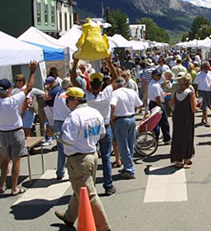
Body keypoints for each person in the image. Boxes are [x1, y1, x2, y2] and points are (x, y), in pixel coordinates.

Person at [54, 87, 110, 230]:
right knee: (80, 190)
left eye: (68, 100)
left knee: (88, 195)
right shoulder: (94, 112)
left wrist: (58, 137)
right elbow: (102, 133)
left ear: (75, 100)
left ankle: (104, 227)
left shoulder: (74, 117)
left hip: (79, 159)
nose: (66, 103)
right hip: (92, 154)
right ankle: (69, 216)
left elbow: (68, 140)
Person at [71, 57, 118, 195]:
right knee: (106, 157)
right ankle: (108, 185)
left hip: (91, 129)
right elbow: (117, 78)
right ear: (102, 84)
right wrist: (109, 63)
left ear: (90, 84)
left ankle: (89, 186)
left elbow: (74, 81)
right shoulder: (106, 94)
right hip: (105, 127)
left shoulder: (87, 97)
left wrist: (75, 63)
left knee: (89, 158)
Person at [0, 61, 37, 196]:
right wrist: (33, 71)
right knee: (16, 160)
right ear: (9, 89)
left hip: (2, 133)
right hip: (15, 132)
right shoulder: (13, 100)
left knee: (4, 160)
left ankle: (2, 184)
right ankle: (14, 188)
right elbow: (30, 87)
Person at [110, 77, 143, 179]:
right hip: (131, 118)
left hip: (121, 120)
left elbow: (112, 105)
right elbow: (140, 105)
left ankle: (129, 169)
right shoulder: (131, 92)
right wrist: (131, 109)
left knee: (123, 146)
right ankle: (128, 166)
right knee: (130, 144)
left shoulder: (115, 93)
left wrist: (112, 116)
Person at [169, 73, 197, 168]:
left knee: (177, 137)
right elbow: (194, 109)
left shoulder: (177, 92)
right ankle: (186, 158)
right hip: (187, 118)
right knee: (187, 137)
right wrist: (198, 107)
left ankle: (177, 159)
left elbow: (170, 103)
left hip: (177, 117)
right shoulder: (190, 93)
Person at [53, 78, 72, 180]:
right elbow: (68, 107)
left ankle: (60, 171)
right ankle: (70, 170)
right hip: (64, 122)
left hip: (57, 122)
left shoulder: (58, 94)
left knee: (61, 149)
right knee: (69, 148)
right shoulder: (65, 95)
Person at [148, 70, 171, 143]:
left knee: (156, 122)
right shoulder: (155, 85)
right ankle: (165, 138)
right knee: (162, 122)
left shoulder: (154, 83)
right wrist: (160, 105)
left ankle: (157, 138)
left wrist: (164, 94)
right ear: (153, 76)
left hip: (154, 103)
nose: (160, 76)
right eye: (158, 75)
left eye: (160, 75)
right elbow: (157, 97)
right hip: (157, 104)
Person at [194, 61, 211, 127]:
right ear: (202, 67)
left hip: (209, 92)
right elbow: (196, 84)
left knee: (208, 105)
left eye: (207, 66)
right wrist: (195, 93)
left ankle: (203, 118)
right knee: (204, 106)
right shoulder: (199, 74)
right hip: (201, 92)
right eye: (205, 66)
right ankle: (206, 121)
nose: (206, 68)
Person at [44, 76, 61, 144]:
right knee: (50, 124)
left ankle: (51, 139)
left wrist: (46, 90)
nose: (47, 85)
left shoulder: (55, 90)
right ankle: (51, 138)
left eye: (48, 83)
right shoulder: (54, 89)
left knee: (52, 124)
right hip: (51, 108)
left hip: (52, 108)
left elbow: (46, 97)